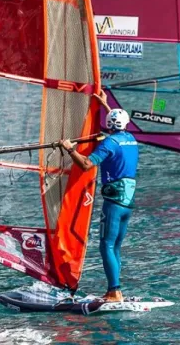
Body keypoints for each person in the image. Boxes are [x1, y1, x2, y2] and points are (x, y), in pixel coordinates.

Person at [59, 92, 138, 302]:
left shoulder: (109, 143)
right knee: (116, 246)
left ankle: (114, 291)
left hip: (114, 202)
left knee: (106, 245)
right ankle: (115, 289)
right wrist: (104, 103)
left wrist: (70, 149)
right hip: (128, 202)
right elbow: (115, 128)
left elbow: (86, 164)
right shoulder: (131, 139)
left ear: (109, 124)